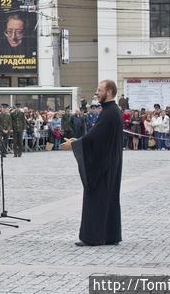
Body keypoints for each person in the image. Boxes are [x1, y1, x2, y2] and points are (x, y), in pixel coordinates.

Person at [61, 79, 123, 247]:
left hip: (103, 166)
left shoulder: (109, 113)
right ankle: (110, 235)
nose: (96, 93)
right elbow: (96, 136)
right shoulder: (112, 111)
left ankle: (93, 237)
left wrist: (73, 145)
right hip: (110, 163)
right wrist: (78, 140)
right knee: (108, 199)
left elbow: (95, 138)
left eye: (99, 90)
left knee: (97, 199)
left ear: (109, 92)